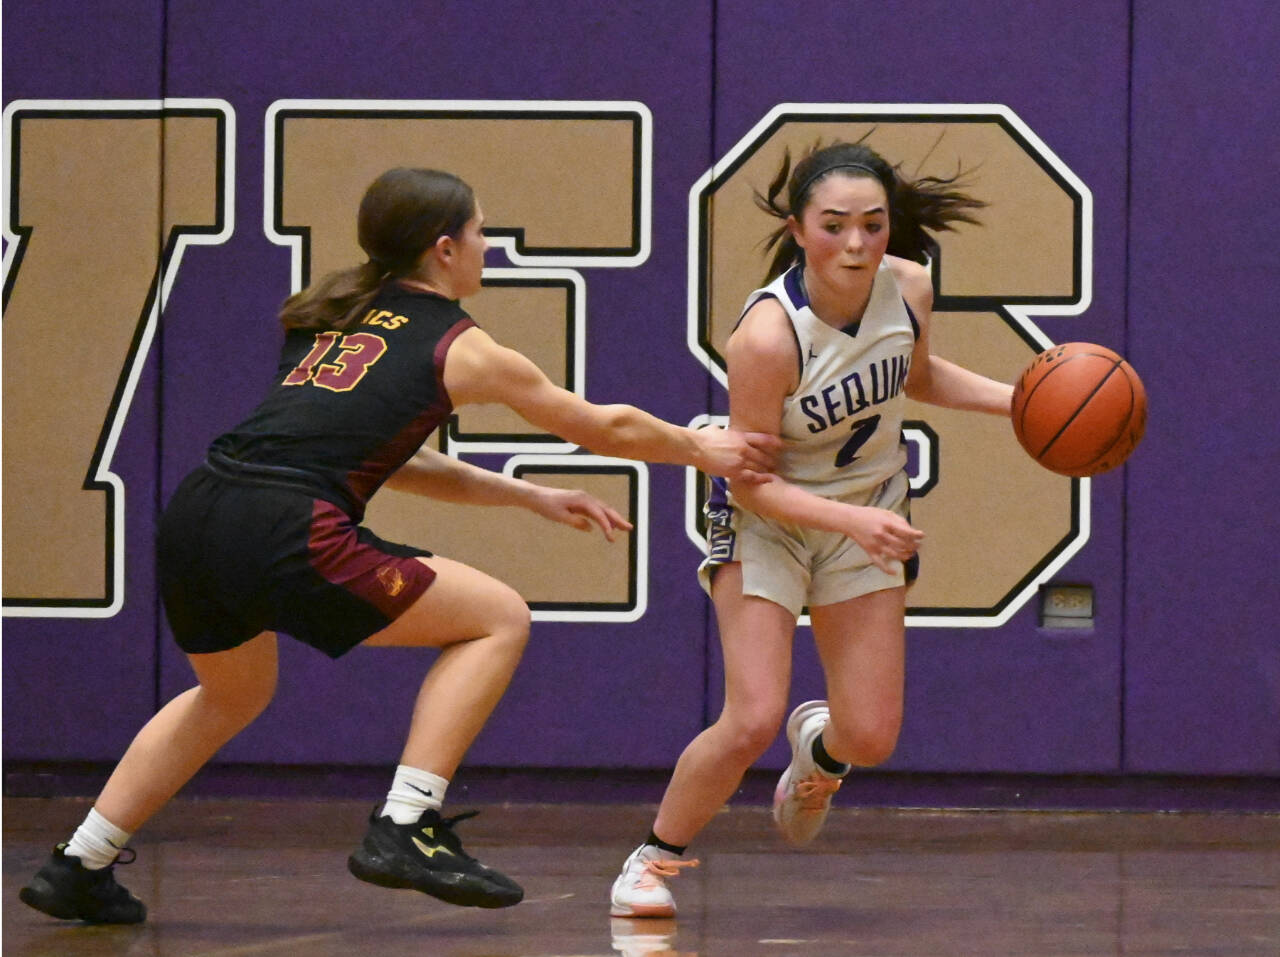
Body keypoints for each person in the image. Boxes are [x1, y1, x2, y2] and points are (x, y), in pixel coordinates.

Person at [18, 167, 779, 925]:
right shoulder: (464, 345)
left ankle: (79, 860)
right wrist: (699, 448)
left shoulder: (332, 313)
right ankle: (407, 821)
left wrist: (529, 495)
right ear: (444, 249)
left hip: (199, 515)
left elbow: (387, 456)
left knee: (231, 691)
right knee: (498, 617)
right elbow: (601, 426)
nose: (490, 248)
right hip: (287, 523)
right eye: (482, 233)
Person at [609, 141, 1014, 918]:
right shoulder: (766, 337)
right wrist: (853, 518)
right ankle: (651, 859)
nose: (857, 243)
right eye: (835, 226)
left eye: (873, 224)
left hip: (863, 512)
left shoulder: (911, 286)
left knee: (872, 735)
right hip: (771, 519)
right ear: (798, 229)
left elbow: (919, 376)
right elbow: (750, 482)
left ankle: (820, 751)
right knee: (752, 712)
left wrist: (1023, 398)